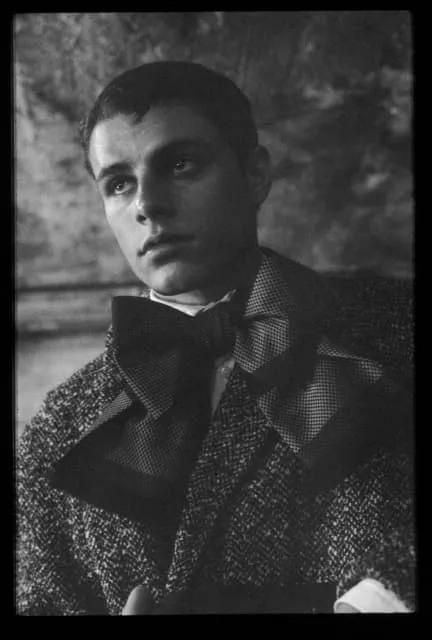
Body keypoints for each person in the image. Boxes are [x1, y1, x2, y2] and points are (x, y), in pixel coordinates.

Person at [16, 61, 414, 615]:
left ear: (255, 175)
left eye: (180, 164)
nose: (146, 205)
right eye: (119, 183)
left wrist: (376, 602)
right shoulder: (60, 432)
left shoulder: (396, 331)